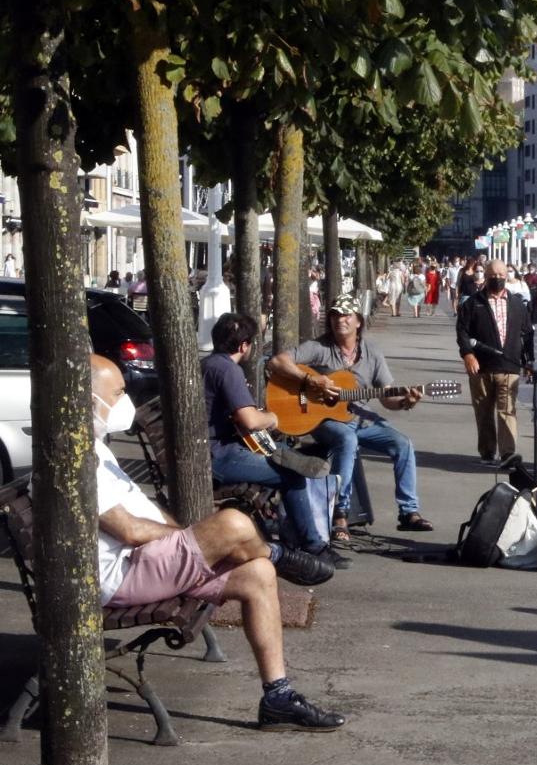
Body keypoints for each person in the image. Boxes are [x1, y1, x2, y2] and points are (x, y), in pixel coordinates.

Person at [92, 354, 346, 732]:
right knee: (232, 522)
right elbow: (128, 530)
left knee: (258, 572)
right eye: (118, 392)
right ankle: (279, 552)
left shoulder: (99, 449)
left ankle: (277, 696)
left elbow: (151, 518)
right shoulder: (75, 459)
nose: (125, 400)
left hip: (145, 563)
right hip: (121, 578)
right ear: (89, 400)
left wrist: (188, 542)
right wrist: (189, 541)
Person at [266, 294, 432, 538]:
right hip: (325, 421)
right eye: (334, 315)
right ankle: (340, 513)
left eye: (346, 315)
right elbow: (277, 361)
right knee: (347, 440)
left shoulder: (372, 353)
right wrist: (311, 379)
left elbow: (387, 397)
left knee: (403, 444)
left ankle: (408, 511)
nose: (339, 320)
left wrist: (406, 402)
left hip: (360, 417)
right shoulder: (319, 348)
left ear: (358, 322)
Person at [203, 313, 348, 568]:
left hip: (210, 448)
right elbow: (249, 420)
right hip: (217, 456)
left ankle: (293, 524)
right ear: (244, 346)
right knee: (291, 474)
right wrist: (272, 418)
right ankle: (312, 546)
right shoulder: (228, 369)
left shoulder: (207, 364)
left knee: (283, 454)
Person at [456, 259, 535, 465]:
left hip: (509, 366)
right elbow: (462, 331)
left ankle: (507, 452)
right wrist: (468, 354)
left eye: (502, 275)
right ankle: (487, 451)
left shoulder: (517, 304)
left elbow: (527, 334)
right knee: (483, 411)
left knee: (507, 410)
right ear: (486, 276)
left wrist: (529, 361)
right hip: (481, 366)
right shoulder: (473, 303)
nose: (498, 279)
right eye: (493, 275)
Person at [523, 263, 537, 328]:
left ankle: (533, 322)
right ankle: (528, 321)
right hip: (527, 292)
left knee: (535, 308)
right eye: (529, 268)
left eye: (531, 268)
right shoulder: (525, 276)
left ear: (535, 269)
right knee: (529, 307)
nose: (530, 270)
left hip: (535, 292)